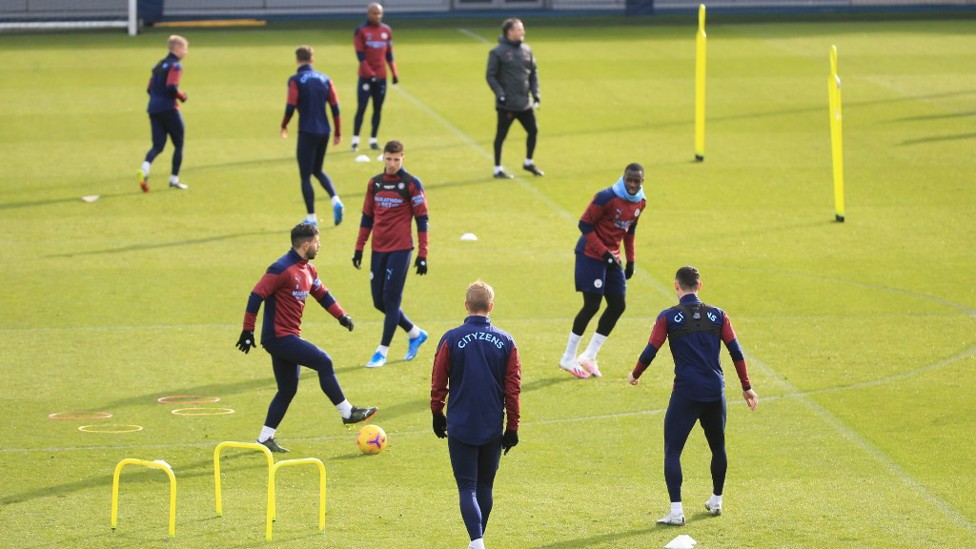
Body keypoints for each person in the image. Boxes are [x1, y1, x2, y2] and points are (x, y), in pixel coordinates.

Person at [627, 266, 759, 525]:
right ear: (700, 286)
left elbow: (650, 350)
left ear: (677, 285)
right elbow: (737, 352)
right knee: (718, 447)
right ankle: (717, 501)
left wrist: (635, 374)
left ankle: (676, 512)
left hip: (686, 394)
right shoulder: (719, 316)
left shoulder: (668, 317)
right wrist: (746, 386)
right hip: (714, 393)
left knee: (673, 451)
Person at [236, 223, 377, 453]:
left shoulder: (308, 270)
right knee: (324, 361)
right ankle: (347, 412)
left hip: (288, 336)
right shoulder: (281, 268)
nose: (319, 246)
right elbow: (256, 294)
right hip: (278, 337)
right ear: (306, 244)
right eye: (317, 242)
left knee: (287, 389)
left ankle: (264, 438)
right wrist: (248, 330)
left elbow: (323, 295)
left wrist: (342, 316)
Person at [430, 281, 521, 549]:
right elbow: (513, 389)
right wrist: (512, 427)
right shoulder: (506, 341)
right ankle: (477, 540)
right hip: (492, 425)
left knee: (467, 487)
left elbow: (438, 380)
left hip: (460, 424)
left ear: (466, 306)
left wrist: (437, 412)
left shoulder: (451, 338)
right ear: (491, 307)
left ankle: (477, 541)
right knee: (485, 487)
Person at [558, 163, 647, 379]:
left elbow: (630, 231)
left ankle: (589, 355)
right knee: (592, 304)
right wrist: (604, 252)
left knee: (618, 305)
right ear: (623, 177)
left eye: (637, 181)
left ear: (642, 181)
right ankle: (568, 357)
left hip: (612, 257)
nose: (633, 184)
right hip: (590, 255)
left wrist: (631, 260)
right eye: (629, 180)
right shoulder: (606, 197)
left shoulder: (641, 203)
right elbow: (584, 224)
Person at [352, 140, 429, 368]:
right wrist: (359, 248)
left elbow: (422, 220)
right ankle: (415, 333)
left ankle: (381, 352)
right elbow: (367, 217)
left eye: (397, 159)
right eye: (389, 158)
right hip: (378, 249)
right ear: (383, 158)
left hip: (401, 249)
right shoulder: (374, 184)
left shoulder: (412, 184)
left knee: (391, 299)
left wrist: (423, 254)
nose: (392, 163)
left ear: (403, 158)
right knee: (379, 302)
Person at [280, 45, 345, 226]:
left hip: (307, 131)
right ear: (312, 60)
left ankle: (311, 218)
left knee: (305, 176)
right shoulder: (325, 79)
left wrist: (284, 125)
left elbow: (290, 106)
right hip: (324, 131)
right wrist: (338, 132)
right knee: (317, 169)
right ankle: (336, 200)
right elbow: (335, 107)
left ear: (297, 60)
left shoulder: (295, 80)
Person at [486, 18, 543, 180]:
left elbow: (533, 74)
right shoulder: (497, 52)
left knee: (533, 130)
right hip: (507, 105)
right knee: (501, 135)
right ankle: (497, 168)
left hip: (524, 103)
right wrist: (500, 94)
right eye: (519, 29)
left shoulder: (527, 50)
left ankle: (528, 162)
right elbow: (490, 76)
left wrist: (536, 94)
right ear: (509, 32)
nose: (522, 32)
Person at [138, 35, 190, 192]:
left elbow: (149, 88)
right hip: (169, 109)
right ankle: (174, 180)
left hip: (153, 109)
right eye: (185, 48)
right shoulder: (176, 66)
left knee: (157, 146)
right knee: (179, 143)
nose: (186, 52)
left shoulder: (158, 65)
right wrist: (181, 96)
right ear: (177, 48)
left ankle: (144, 168)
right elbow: (171, 86)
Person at [351, 3, 399, 152]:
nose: (377, 16)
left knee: (377, 108)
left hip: (381, 77)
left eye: (379, 13)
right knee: (362, 107)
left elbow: (389, 54)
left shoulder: (386, 30)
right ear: (368, 14)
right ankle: (355, 140)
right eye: (374, 13)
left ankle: (373, 140)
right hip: (365, 77)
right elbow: (360, 56)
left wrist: (394, 73)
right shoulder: (361, 31)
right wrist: (370, 74)